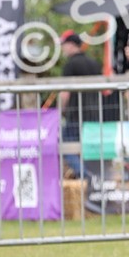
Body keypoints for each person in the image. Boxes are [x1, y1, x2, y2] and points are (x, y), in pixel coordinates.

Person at [57, 31, 105, 178]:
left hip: (75, 114)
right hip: (95, 113)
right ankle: (95, 178)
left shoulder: (70, 64)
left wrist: (58, 111)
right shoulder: (94, 63)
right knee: (91, 149)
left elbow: (65, 92)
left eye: (64, 45)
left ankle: (86, 176)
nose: (63, 49)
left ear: (71, 45)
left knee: (64, 145)